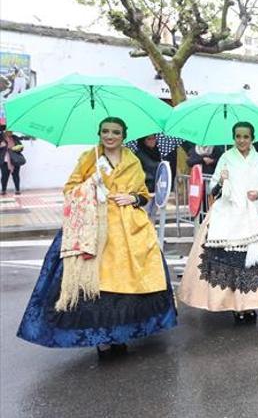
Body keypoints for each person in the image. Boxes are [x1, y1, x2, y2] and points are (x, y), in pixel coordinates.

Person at [17, 117, 177, 357]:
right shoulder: (88, 157)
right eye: (105, 131)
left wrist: (134, 198)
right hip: (92, 227)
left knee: (127, 285)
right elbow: (70, 189)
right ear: (99, 133)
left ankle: (121, 333)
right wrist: (91, 184)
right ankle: (101, 337)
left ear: (124, 135)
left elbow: (143, 194)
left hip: (128, 229)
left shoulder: (132, 160)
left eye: (115, 132)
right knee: (96, 285)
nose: (110, 136)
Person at [178, 122, 258, 325]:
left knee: (253, 262)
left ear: (252, 138)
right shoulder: (226, 158)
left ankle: (251, 304)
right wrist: (220, 180)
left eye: (246, 136)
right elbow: (213, 191)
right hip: (227, 214)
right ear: (233, 138)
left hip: (253, 215)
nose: (242, 140)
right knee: (232, 262)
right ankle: (236, 306)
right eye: (238, 136)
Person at [0, 125, 24, 195]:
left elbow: (21, 147)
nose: (11, 132)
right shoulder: (1, 138)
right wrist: (1, 146)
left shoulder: (15, 137)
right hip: (4, 161)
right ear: (5, 131)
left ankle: (17, 189)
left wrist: (17, 148)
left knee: (16, 175)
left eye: (11, 131)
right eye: (9, 130)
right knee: (4, 176)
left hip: (15, 160)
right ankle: (3, 190)